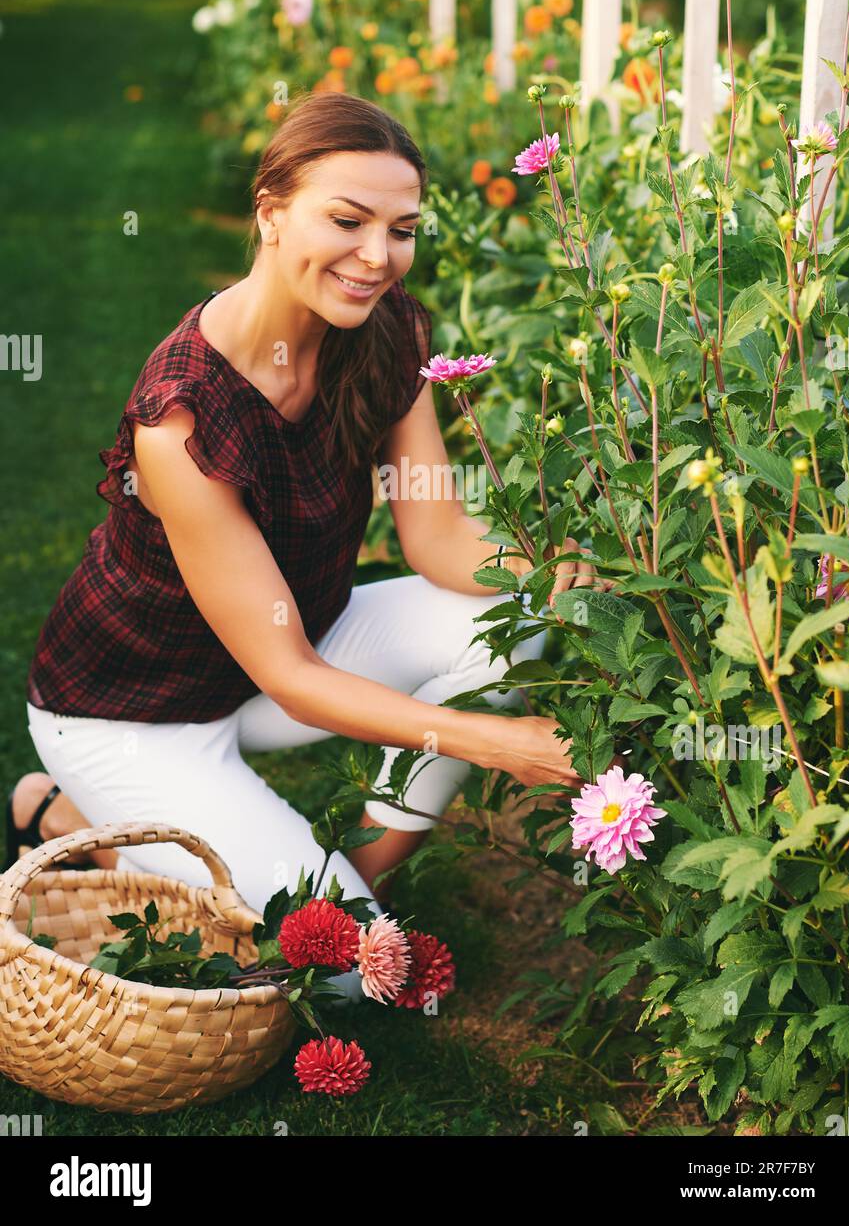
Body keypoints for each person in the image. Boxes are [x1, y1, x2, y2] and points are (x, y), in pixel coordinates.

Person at [10, 92, 588, 960]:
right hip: (136, 711)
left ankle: (364, 872)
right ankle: (67, 808)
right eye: (347, 220)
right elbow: (289, 677)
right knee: (355, 972)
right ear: (271, 211)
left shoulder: (387, 332)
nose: (377, 257)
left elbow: (435, 537)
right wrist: (503, 744)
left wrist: (557, 569)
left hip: (295, 652)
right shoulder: (183, 418)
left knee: (520, 620)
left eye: (402, 229)